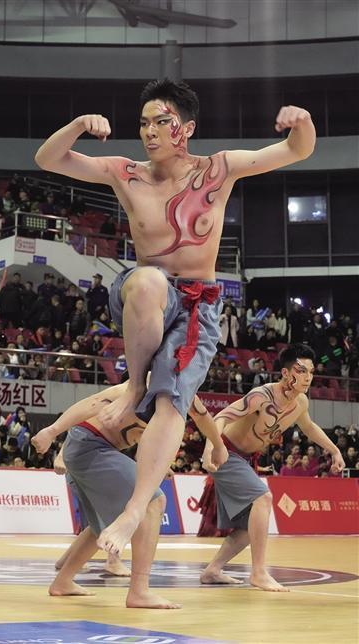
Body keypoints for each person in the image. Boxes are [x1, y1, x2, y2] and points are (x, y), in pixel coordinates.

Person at [34, 78, 316, 554]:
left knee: (172, 404)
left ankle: (133, 509)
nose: (149, 131)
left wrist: (302, 120)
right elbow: (48, 159)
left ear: (186, 128)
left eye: (161, 121)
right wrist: (79, 124)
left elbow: (297, 150)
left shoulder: (218, 169)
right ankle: (134, 386)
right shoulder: (125, 173)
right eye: (144, 122)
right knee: (147, 280)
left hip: (198, 308)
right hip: (146, 297)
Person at [31, 379, 226, 607]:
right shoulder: (149, 381)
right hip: (90, 446)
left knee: (102, 525)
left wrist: (218, 445)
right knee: (154, 501)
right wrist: (52, 431)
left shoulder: (183, 390)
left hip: (93, 447)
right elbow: (95, 401)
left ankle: (63, 582)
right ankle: (139, 591)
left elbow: (202, 417)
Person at [199, 344, 344, 591]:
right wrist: (210, 448)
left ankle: (213, 570)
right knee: (263, 498)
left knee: (248, 527)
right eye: (302, 371)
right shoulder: (261, 396)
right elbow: (221, 416)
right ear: (286, 373)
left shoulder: (301, 402)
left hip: (246, 459)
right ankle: (258, 572)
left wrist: (334, 450)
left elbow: (309, 427)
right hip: (226, 453)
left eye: (311, 372)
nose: (308, 377)